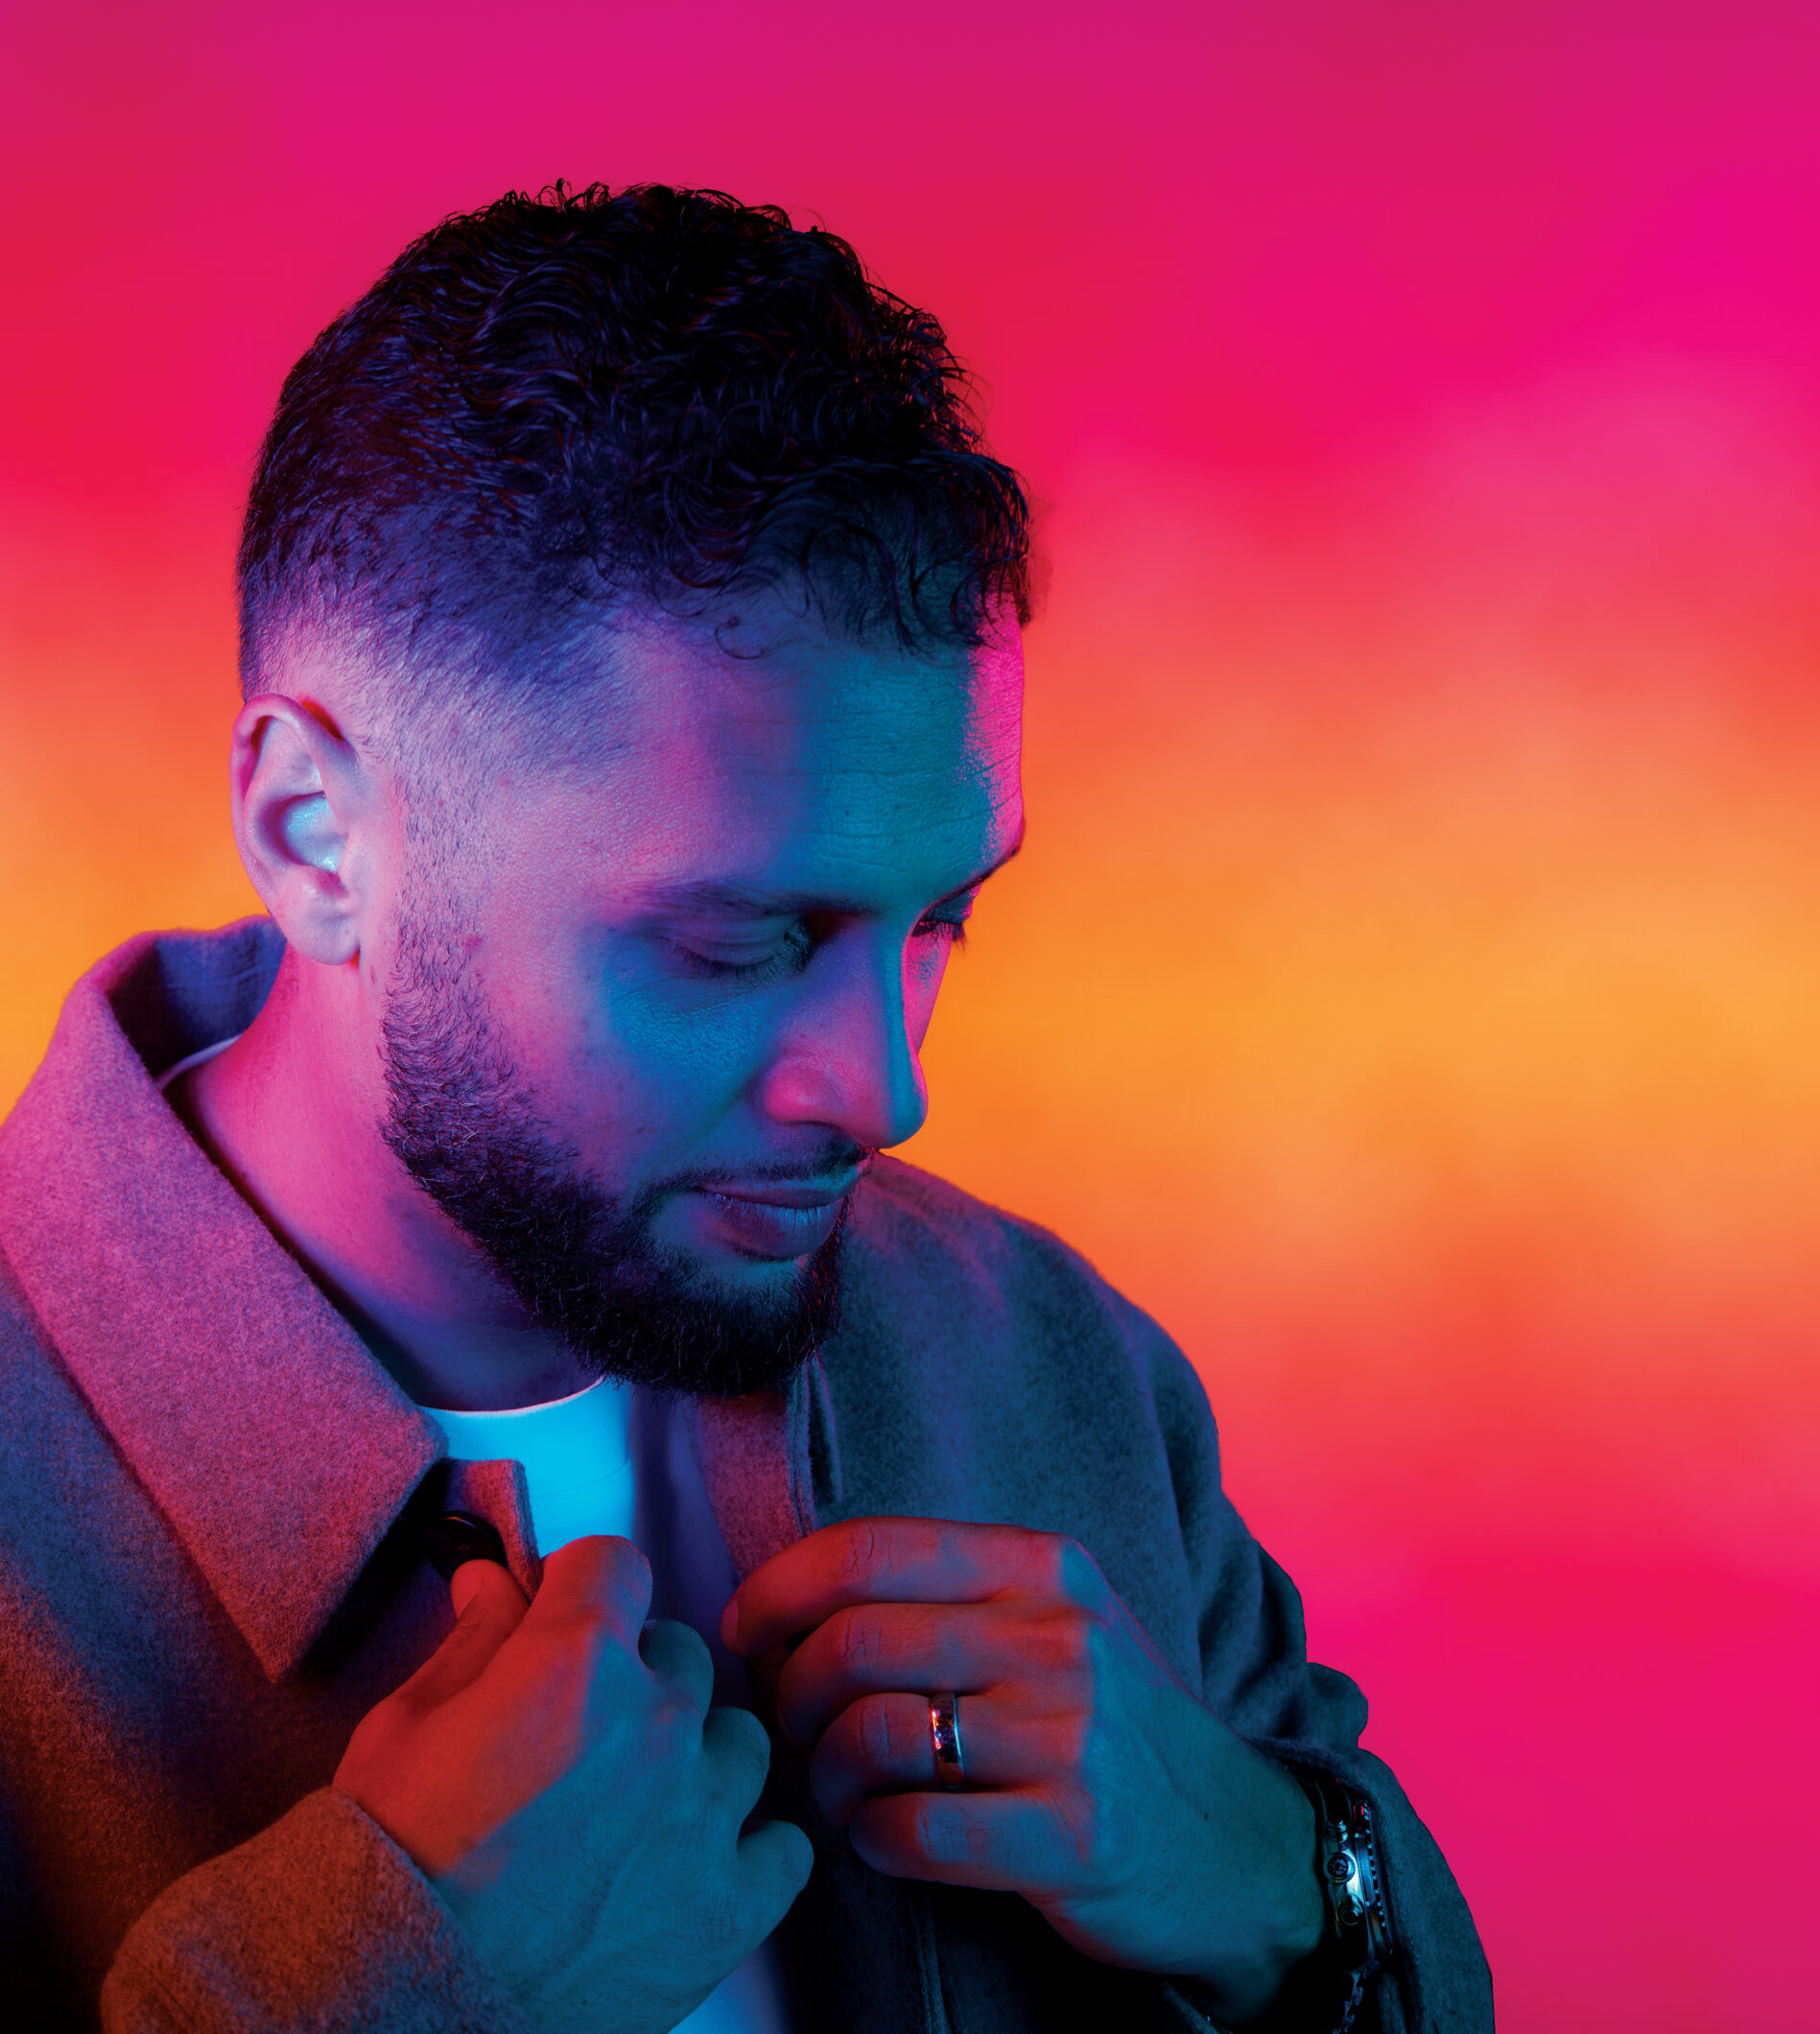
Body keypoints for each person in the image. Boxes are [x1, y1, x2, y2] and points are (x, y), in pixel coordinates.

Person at [0, 184, 1490, 2033]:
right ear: (316, 836)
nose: (885, 1091)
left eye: (940, 920)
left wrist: (1280, 1873)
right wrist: (388, 1986)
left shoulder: (1052, 1360)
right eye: (737, 941)